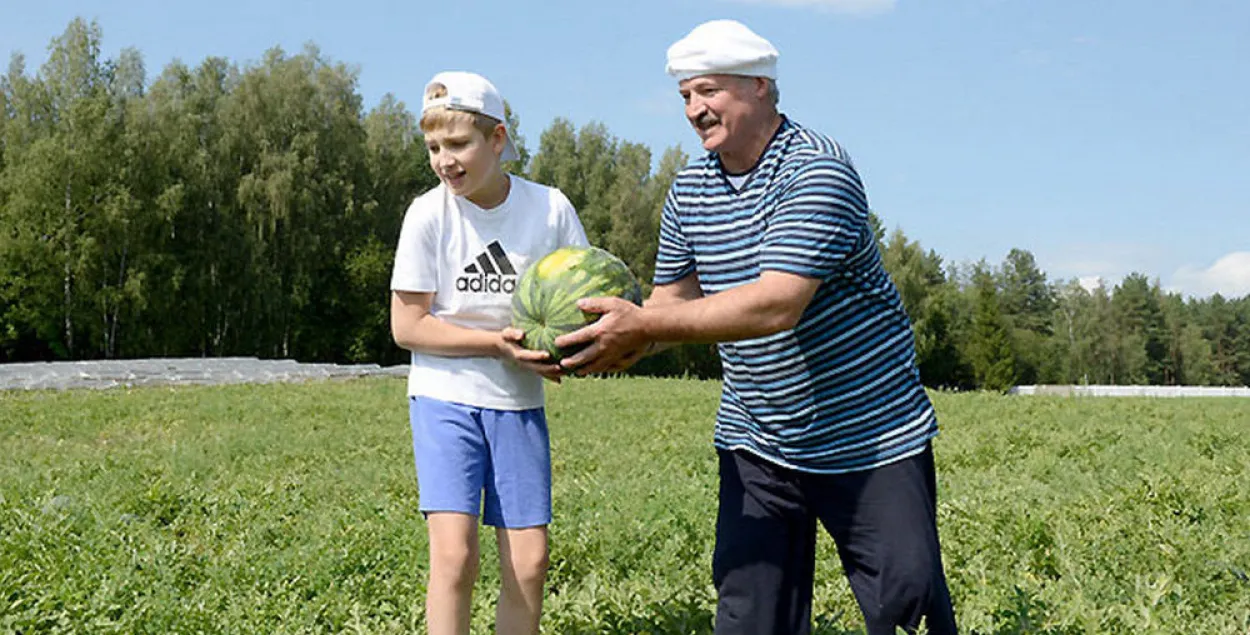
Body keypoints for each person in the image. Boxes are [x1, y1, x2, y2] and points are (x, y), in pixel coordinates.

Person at [554, 20, 958, 635]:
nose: (694, 109)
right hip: (758, 438)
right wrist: (597, 343)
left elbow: (776, 305)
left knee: (907, 608)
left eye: (708, 91)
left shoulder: (818, 170)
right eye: (686, 96)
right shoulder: (689, 191)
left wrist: (642, 325)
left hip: (869, 435)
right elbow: (668, 309)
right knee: (749, 617)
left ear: (761, 87)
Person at [390, 70, 588, 635]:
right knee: (454, 557)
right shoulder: (427, 214)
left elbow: (584, 300)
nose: (443, 161)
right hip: (444, 398)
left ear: (497, 139)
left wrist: (577, 351)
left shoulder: (548, 210)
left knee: (529, 562)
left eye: (458, 144)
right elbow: (407, 325)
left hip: (518, 405)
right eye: (433, 147)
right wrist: (494, 344)